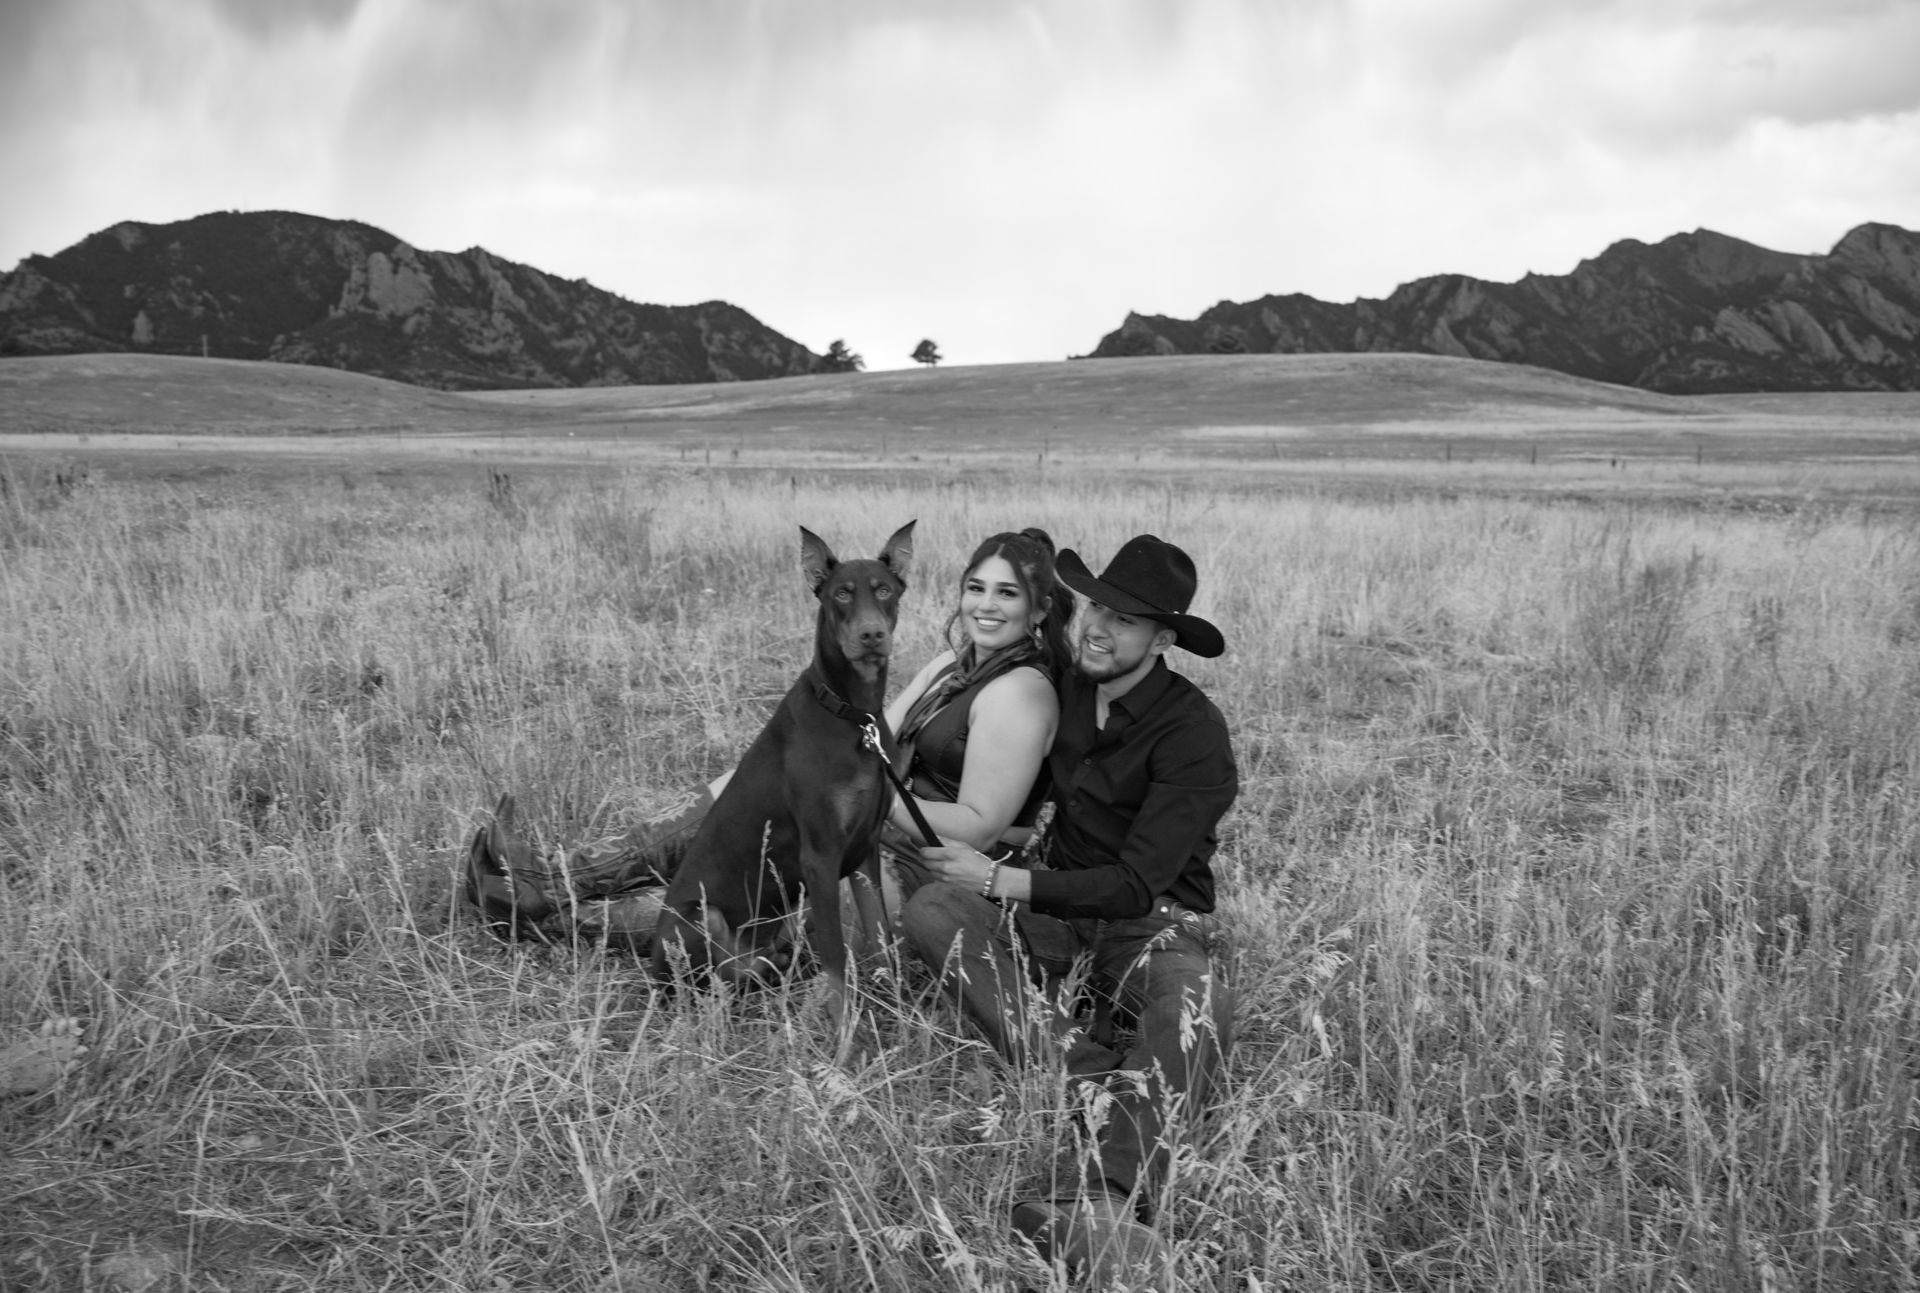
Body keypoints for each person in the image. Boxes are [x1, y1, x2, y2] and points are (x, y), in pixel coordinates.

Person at [464, 528, 1074, 945]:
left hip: (930, 870)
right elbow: (876, 734)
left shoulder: (1021, 694)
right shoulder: (952, 665)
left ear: (1040, 610)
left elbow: (979, 828)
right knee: (746, 794)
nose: (986, 606)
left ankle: (546, 916)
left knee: (762, 903)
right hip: (877, 825)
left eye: (1008, 594)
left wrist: (872, 803)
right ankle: (555, 878)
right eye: (976, 588)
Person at [899, 533, 1237, 1282]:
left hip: (1146, 923)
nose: (1099, 627)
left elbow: (1135, 883)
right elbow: (988, 664)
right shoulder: (1071, 687)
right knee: (934, 911)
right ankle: (1094, 1079)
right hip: (1052, 910)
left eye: (1125, 619)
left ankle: (1101, 1202)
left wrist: (1002, 879)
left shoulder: (1194, 735)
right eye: (1095, 607)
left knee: (1199, 1003)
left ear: (1163, 640)